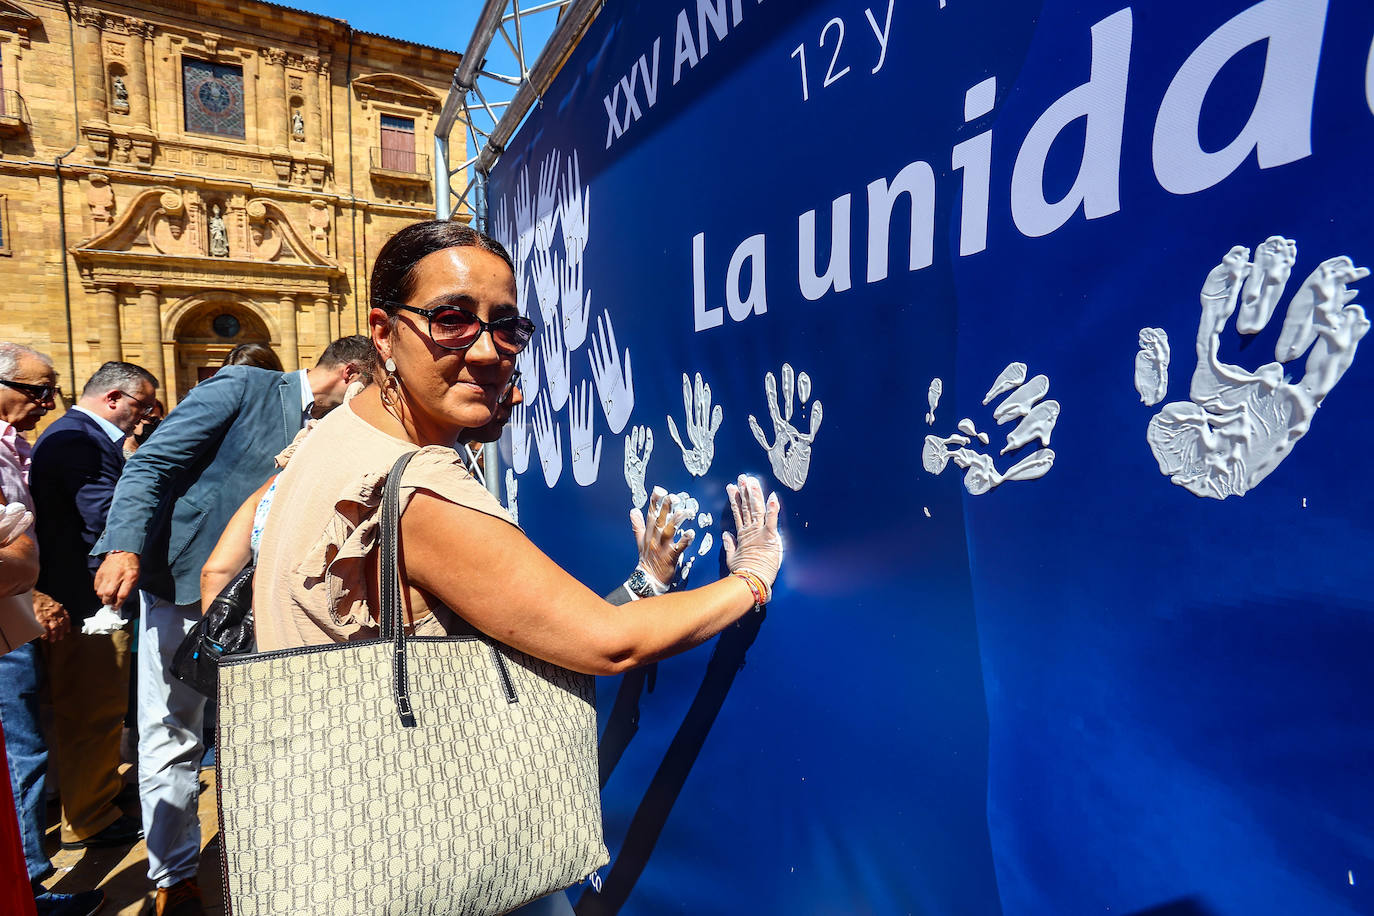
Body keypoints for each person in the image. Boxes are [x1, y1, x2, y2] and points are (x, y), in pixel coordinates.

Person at [248, 223, 781, 908]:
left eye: (506, 328)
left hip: (337, 833)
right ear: (382, 333)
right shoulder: (420, 489)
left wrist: (644, 580)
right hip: (442, 858)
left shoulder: (332, 434)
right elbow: (608, 642)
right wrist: (754, 576)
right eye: (451, 319)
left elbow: (508, 619)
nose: (487, 350)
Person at [91, 335, 376, 916]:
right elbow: (150, 463)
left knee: (256, 734)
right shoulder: (243, 387)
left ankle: (259, 860)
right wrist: (122, 548)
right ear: (350, 374)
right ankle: (174, 877)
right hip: (184, 590)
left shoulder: (331, 427)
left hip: (267, 600)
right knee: (172, 731)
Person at [30, 362, 161, 854]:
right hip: (88, 602)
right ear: (113, 398)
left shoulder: (74, 434)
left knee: (95, 708)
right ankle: (88, 818)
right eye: (141, 404)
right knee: (92, 709)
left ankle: (94, 794)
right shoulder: (78, 440)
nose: (144, 415)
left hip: (82, 597)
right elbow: (100, 521)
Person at [0, 344, 105, 916]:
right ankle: (30, 889)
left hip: (16, 607)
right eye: (37, 390)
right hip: (9, 605)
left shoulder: (16, 446)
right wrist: (30, 586)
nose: (46, 403)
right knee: (22, 748)